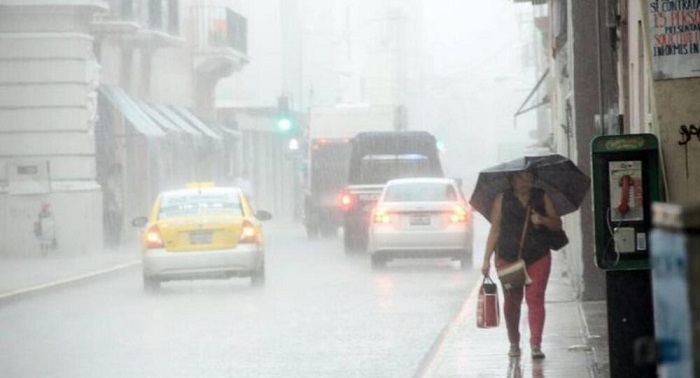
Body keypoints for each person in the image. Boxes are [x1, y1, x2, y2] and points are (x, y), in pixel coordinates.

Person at [481, 169, 562, 360]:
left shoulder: (541, 197)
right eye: (519, 177)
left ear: (534, 179)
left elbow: (557, 224)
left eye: (528, 177)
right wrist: (486, 260)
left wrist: (542, 219)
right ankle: (514, 342)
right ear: (511, 180)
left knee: (535, 298)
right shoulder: (502, 199)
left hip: (538, 255)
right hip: (508, 258)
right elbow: (495, 230)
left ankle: (536, 344)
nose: (524, 181)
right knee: (512, 301)